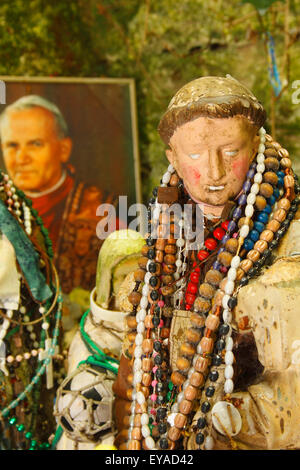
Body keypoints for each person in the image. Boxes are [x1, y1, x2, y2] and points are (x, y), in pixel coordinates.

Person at [111, 75, 300, 450]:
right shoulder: (164, 250)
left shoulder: (290, 241)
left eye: (230, 150)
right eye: (195, 155)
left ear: (257, 144)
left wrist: (232, 417)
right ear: (173, 158)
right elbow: (132, 377)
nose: (213, 172)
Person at [0, 95, 122, 327]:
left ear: (64, 149)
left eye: (35, 144)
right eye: (12, 145)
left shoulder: (104, 208)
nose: (21, 158)